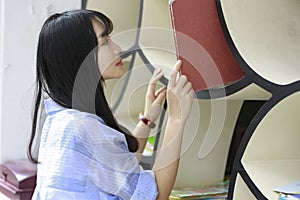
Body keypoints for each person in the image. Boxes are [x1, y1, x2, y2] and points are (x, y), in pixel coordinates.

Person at [28, 9, 194, 200]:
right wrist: (176, 118)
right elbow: (155, 195)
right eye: (105, 41)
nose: (117, 48)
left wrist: (147, 119)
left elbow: (121, 172)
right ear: (80, 56)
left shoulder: (61, 120)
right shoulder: (83, 127)